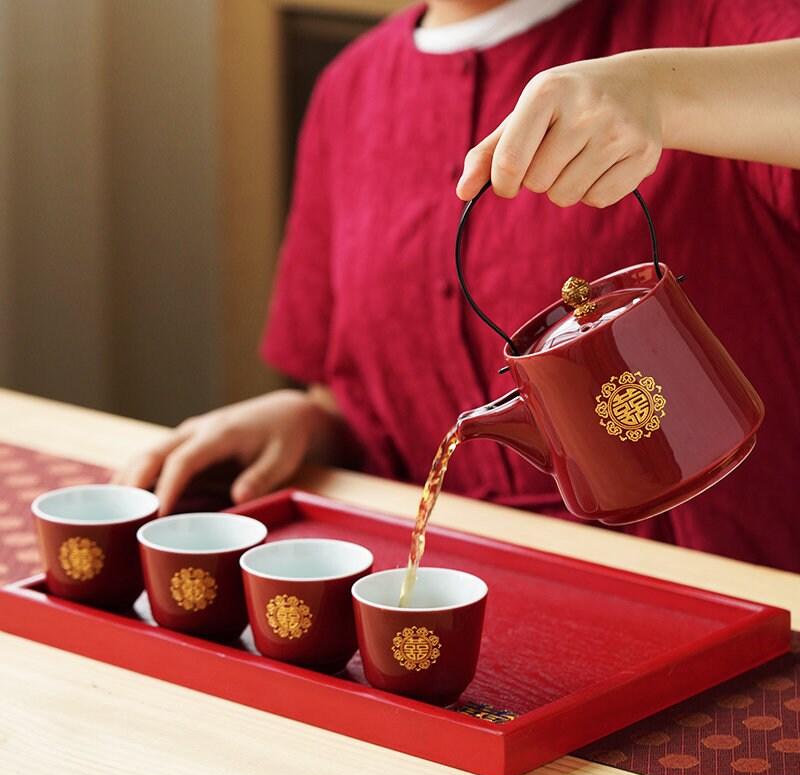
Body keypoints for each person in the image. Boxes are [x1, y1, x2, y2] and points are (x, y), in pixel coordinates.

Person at [114, 0, 800, 573]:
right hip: (453, 624)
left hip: (739, 615)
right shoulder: (349, 90)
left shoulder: (715, 20)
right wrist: (307, 423)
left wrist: (663, 92)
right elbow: (354, 387)